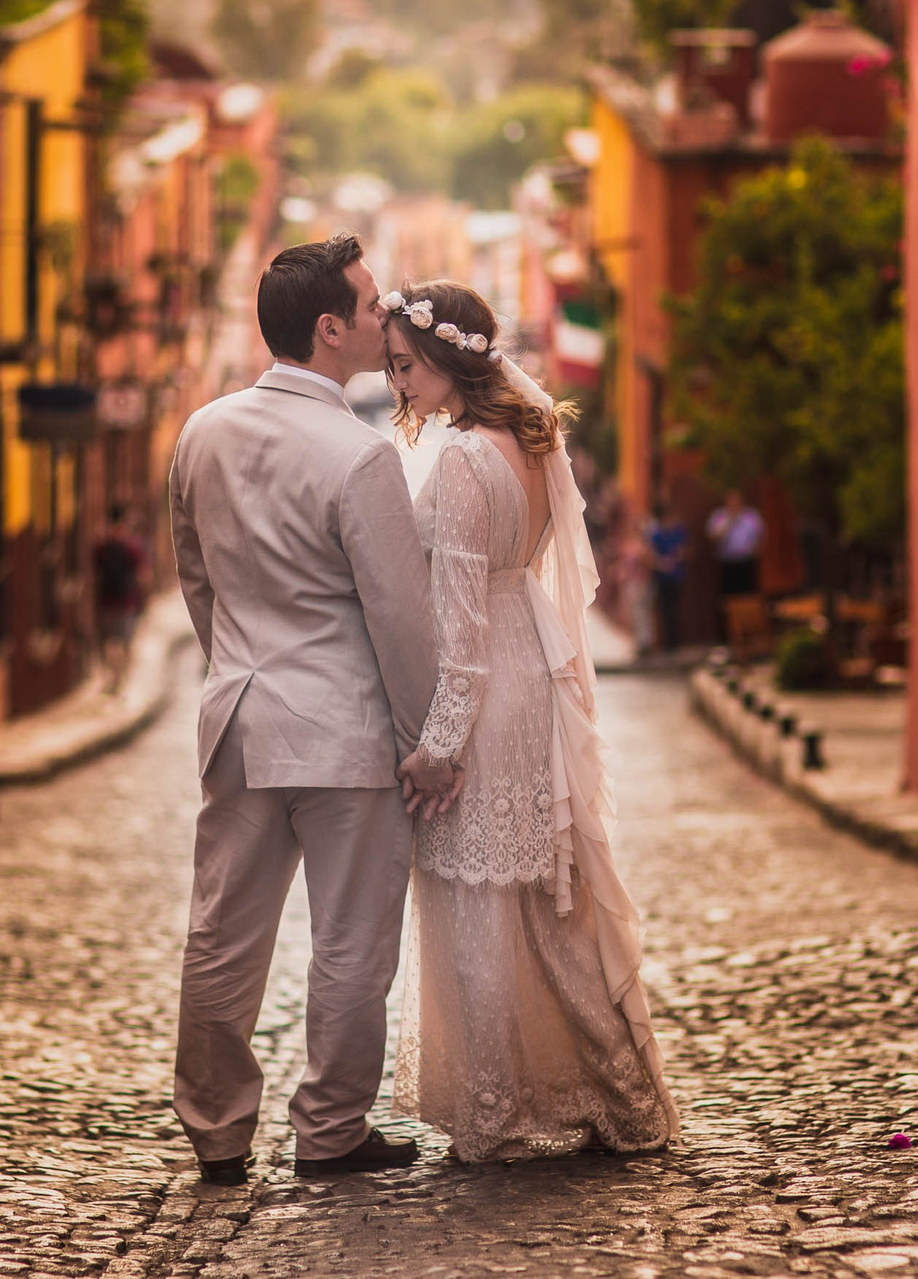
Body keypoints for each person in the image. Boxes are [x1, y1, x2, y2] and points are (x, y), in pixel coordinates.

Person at [381, 278, 681, 1163]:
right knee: (551, 908)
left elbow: (463, 635)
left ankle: (494, 1110)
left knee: (477, 900)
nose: (397, 380)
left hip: (487, 694)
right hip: (530, 677)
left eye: (404, 364)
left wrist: (438, 747)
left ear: (444, 358)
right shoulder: (525, 436)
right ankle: (625, 1100)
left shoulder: (468, 459)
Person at [168, 233, 438, 1184]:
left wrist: (235, 666)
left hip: (239, 718)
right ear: (329, 331)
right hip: (348, 736)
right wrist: (428, 742)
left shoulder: (201, 432)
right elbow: (401, 621)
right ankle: (329, 1131)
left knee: (222, 934)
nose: (382, 320)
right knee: (353, 942)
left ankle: (215, 1131)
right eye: (369, 308)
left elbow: (196, 578)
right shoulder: (359, 457)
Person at [89, 504, 147, 678]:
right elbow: (142, 575)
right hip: (126, 602)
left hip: (106, 601)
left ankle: (112, 676)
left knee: (107, 642)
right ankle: (120, 678)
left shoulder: (102, 546)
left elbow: (94, 574)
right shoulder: (133, 547)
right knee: (125, 643)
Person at [645, 500, 688, 657]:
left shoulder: (679, 532)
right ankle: (667, 643)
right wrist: (662, 563)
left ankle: (675, 642)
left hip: (676, 576)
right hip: (662, 577)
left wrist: (677, 557)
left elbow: (686, 550)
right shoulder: (656, 534)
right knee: (665, 610)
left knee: (674, 609)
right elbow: (650, 555)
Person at [708, 488, 765, 600]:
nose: (734, 503)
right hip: (728, 562)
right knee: (729, 597)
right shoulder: (719, 516)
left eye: (736, 500)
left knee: (748, 594)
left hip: (747, 561)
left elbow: (760, 536)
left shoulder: (751, 515)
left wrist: (757, 549)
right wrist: (729, 521)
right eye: (731, 500)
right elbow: (713, 537)